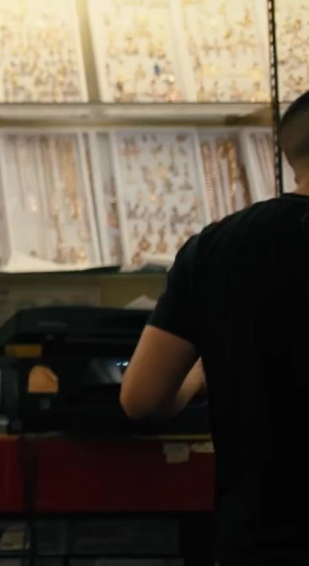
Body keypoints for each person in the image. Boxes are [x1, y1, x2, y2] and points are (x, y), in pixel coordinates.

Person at [121, 90, 309, 565]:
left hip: (259, 542)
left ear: (292, 156)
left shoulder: (217, 246)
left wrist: (200, 376)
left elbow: (141, 398)